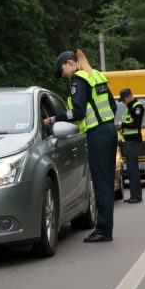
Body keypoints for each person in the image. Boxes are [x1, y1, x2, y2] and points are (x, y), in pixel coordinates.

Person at [43, 49, 118, 242]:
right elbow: (112, 104)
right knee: (108, 181)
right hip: (110, 131)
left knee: (100, 182)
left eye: (62, 70)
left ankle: (102, 230)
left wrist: (54, 118)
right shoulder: (97, 75)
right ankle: (106, 229)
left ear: (70, 63)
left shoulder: (78, 79)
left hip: (97, 135)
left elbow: (77, 112)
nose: (63, 75)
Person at [117, 87, 144, 203]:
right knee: (131, 170)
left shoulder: (137, 107)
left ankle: (137, 196)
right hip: (129, 142)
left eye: (123, 99)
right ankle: (134, 195)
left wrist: (122, 125)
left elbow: (135, 124)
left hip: (134, 142)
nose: (123, 102)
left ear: (129, 96)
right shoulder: (129, 108)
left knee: (133, 170)